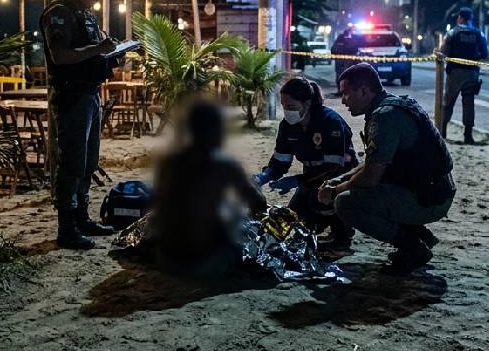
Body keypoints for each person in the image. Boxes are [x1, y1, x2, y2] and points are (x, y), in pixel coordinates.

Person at [319, 64, 455, 275]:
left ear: (364, 91)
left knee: (346, 202)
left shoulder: (384, 117)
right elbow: (375, 161)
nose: (343, 100)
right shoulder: (392, 106)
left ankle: (413, 248)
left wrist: (335, 190)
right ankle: (417, 234)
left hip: (427, 198)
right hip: (430, 189)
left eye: (346, 93)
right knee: (354, 189)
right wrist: (339, 180)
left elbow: (371, 176)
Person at [40, 0, 119, 250]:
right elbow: (60, 56)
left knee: (88, 161)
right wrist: (98, 49)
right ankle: (67, 227)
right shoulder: (57, 14)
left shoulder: (85, 15)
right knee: (71, 162)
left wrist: (112, 53)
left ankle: (82, 217)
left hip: (90, 95)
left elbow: (91, 52)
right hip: (71, 97)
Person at [151, 101, 268, 277]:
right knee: (243, 235)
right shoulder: (224, 164)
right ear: (216, 131)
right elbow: (258, 204)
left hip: (166, 258)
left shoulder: (170, 162)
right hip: (204, 262)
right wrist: (253, 185)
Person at [252, 77, 357, 251]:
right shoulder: (288, 126)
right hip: (310, 177)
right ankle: (318, 223)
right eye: (284, 107)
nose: (287, 111)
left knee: (318, 200)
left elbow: (334, 168)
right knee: (292, 216)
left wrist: (297, 181)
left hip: (339, 178)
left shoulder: (329, 122)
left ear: (307, 104)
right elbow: (280, 161)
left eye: (291, 107)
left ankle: (342, 233)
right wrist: (263, 177)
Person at [439, 7, 488, 144]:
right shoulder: (478, 33)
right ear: (471, 19)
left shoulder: (452, 33)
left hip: (455, 73)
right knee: (468, 104)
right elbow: (485, 52)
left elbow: (443, 52)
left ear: (460, 17)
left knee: (448, 102)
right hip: (472, 73)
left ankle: (442, 132)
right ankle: (468, 135)